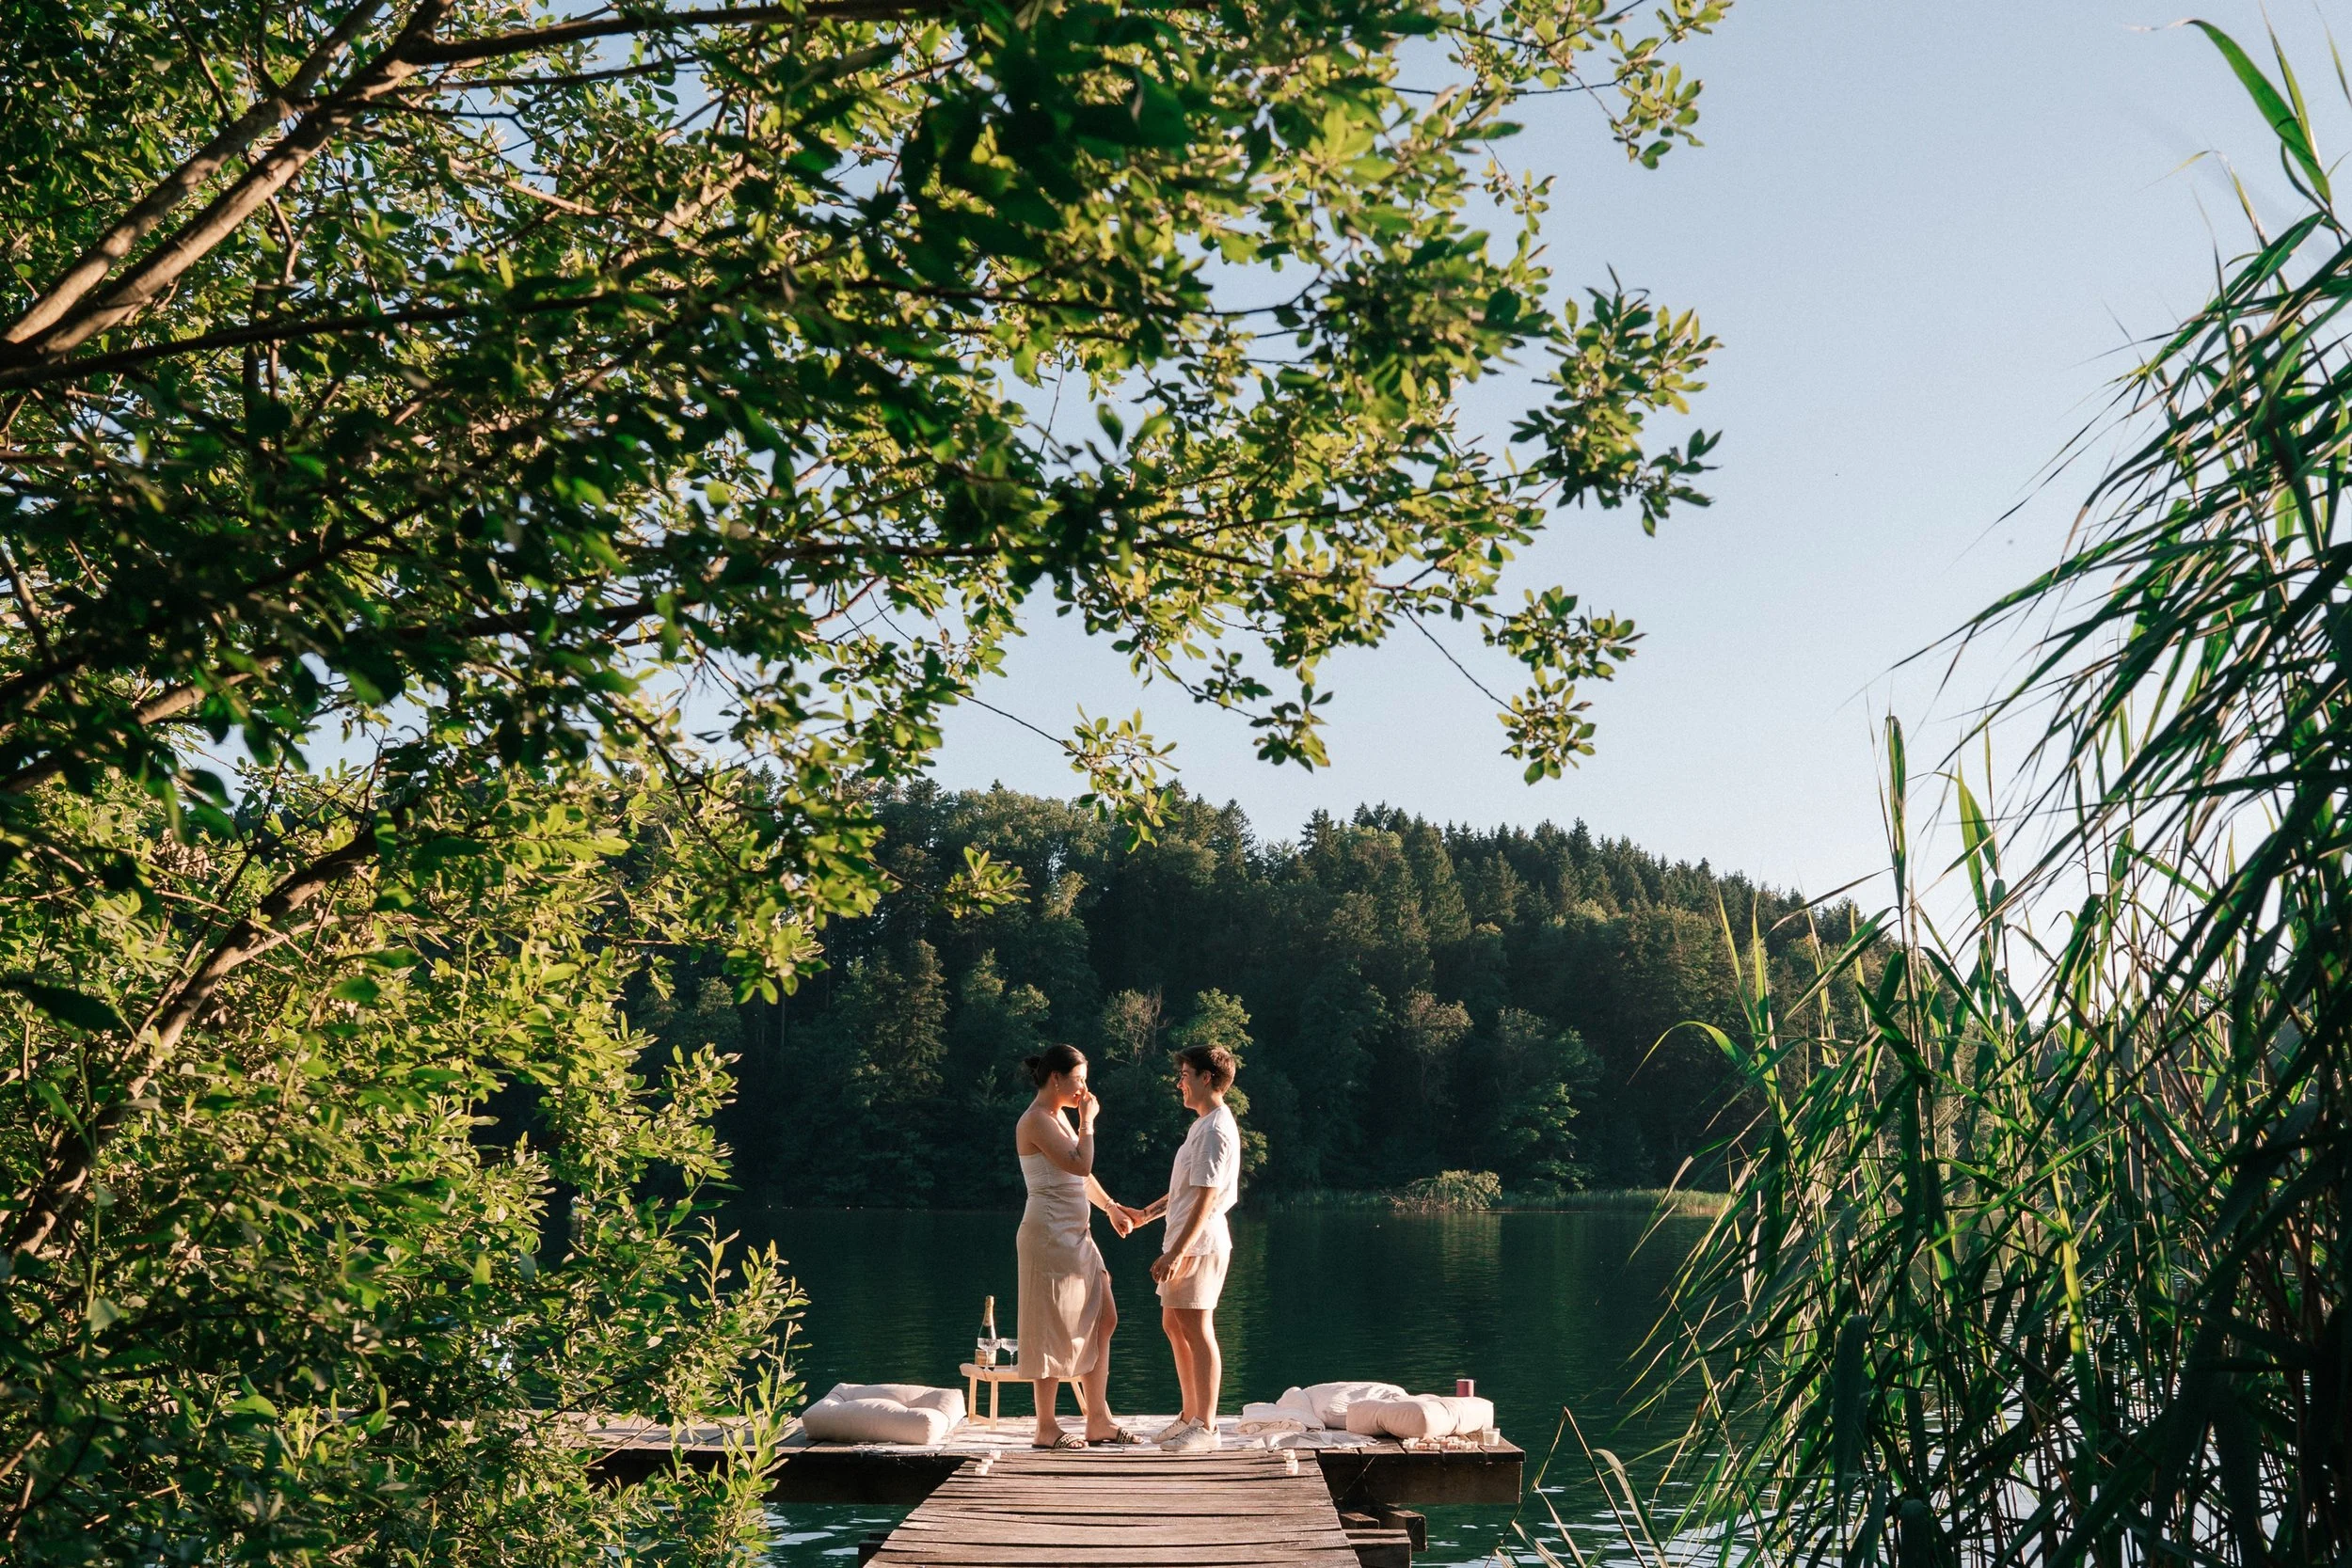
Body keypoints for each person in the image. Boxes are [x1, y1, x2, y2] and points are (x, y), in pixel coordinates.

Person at [1012, 1043, 1142, 1449]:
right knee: (1050, 1327)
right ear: (1056, 1079)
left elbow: (1082, 1179)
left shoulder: (1061, 1119)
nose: (1085, 1090)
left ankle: (1098, 1418)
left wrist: (1111, 1209)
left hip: (1078, 1232)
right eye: (1079, 1080)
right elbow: (1080, 1163)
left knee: (1105, 1316)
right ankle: (1046, 1428)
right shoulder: (1036, 1120)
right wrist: (1089, 1122)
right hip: (1048, 1234)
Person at [1119, 1045, 1242, 1454]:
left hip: (1200, 1245)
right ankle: (1190, 1415)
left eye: (1186, 1074)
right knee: (1174, 1325)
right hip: (1186, 1243)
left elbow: (1206, 1200)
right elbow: (1183, 1193)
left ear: (1207, 1078)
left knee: (1197, 1327)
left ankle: (1206, 1427)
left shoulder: (1215, 1130)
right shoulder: (1202, 1126)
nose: (1180, 1082)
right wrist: (1144, 1216)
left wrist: (1177, 1252)